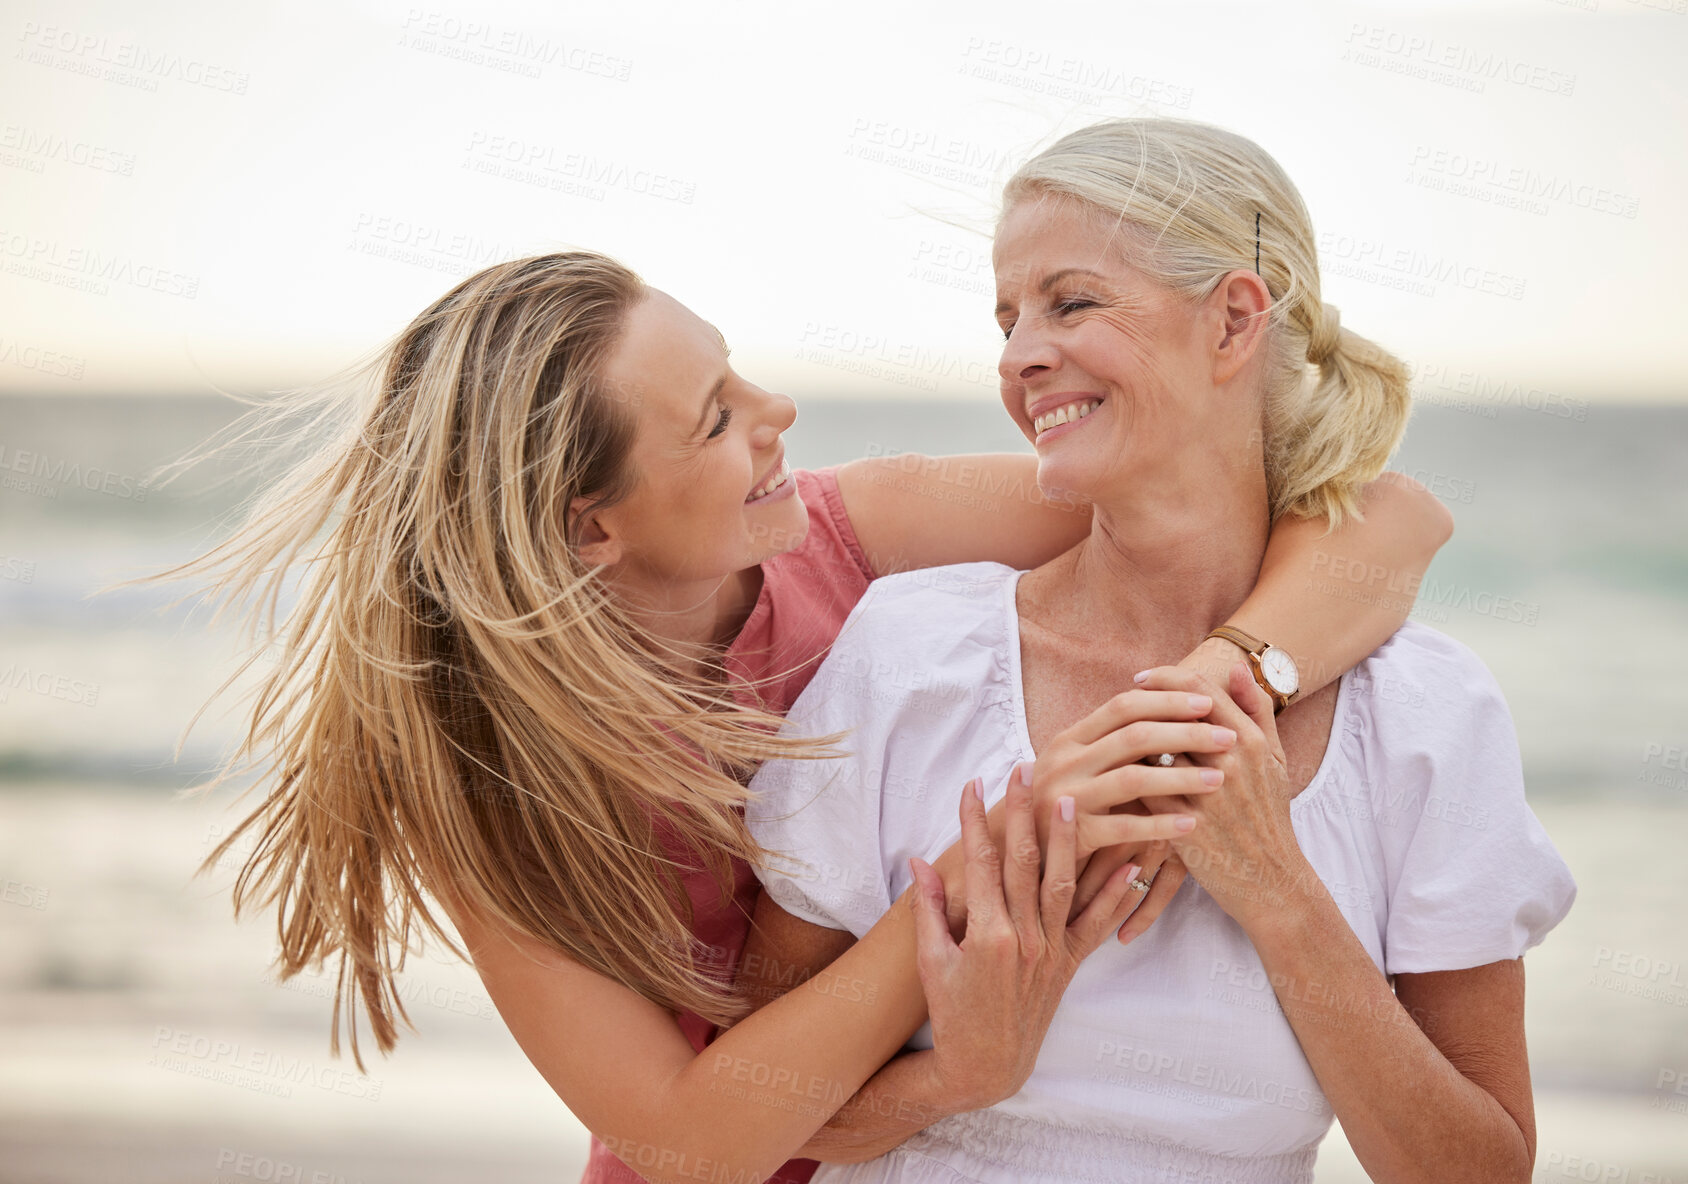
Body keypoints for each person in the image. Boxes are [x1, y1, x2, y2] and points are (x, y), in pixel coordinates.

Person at [177, 242, 1451, 1184]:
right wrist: (975, 897)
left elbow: (1373, 515)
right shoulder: (488, 782)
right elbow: (679, 1139)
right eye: (715, 419)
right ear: (588, 526)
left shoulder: (854, 528)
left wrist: (1221, 674)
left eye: (739, 375)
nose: (776, 415)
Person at [744, 118, 1575, 1183]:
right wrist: (961, 1049)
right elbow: (757, 1103)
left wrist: (1276, 890)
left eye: (1069, 301)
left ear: (1232, 320)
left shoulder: (1422, 710)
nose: (1015, 355)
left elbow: (1481, 1169)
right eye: (1005, 319)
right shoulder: (909, 651)